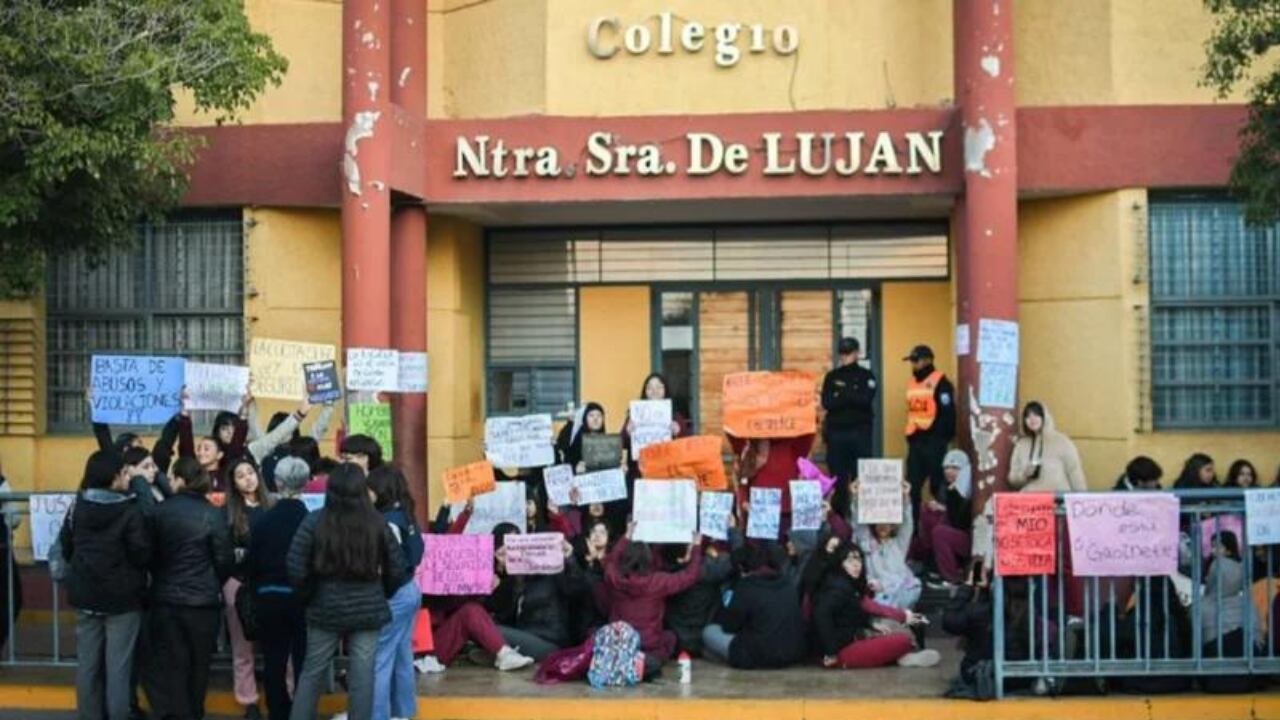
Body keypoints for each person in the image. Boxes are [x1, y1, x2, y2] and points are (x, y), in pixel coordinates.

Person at [286, 463, 407, 720]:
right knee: (363, 674)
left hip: (324, 607)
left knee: (312, 671)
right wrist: (381, 592)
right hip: (368, 608)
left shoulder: (314, 520)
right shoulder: (377, 522)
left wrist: (309, 594)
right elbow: (398, 567)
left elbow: (295, 566)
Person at [62, 450, 151, 720]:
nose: (128, 477)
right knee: (118, 669)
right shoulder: (130, 510)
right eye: (125, 473)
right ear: (115, 478)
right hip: (122, 600)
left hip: (85, 594)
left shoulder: (78, 506)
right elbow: (141, 554)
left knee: (87, 665)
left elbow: (67, 546)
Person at [144, 457, 235, 720]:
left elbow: (148, 554)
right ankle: (194, 713)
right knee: (199, 667)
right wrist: (211, 582)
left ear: (181, 480)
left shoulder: (159, 512)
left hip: (166, 599)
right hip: (203, 604)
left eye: (172, 477)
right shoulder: (213, 513)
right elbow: (224, 559)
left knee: (174, 665)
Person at [245, 457, 311, 720]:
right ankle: (302, 711)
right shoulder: (310, 520)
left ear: (277, 482)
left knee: (274, 659)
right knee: (304, 660)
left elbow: (251, 562)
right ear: (305, 484)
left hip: (268, 596)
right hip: (302, 599)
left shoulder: (263, 520)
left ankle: (278, 712)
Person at [811, 541, 937, 668]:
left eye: (859, 560)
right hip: (841, 652)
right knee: (902, 640)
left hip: (854, 639)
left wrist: (871, 624)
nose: (856, 565)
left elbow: (855, 613)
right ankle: (901, 657)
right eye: (850, 561)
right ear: (840, 563)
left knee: (891, 628)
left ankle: (902, 657)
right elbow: (821, 615)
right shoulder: (836, 588)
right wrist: (831, 652)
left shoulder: (850, 585)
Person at [367, 465, 425, 720]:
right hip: (411, 589)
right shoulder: (406, 514)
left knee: (379, 659)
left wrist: (386, 592)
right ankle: (403, 712)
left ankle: (378, 715)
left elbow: (393, 565)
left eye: (369, 489)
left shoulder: (387, 522)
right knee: (402, 655)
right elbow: (418, 553)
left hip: (396, 593)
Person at [603, 526, 703, 673]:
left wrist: (627, 535)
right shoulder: (657, 582)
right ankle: (640, 664)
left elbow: (611, 561)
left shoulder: (614, 579)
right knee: (670, 638)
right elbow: (690, 576)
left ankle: (622, 661)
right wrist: (696, 547)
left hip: (620, 643)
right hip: (649, 645)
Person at [487, 523, 585, 662]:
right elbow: (503, 613)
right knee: (484, 625)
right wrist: (508, 572)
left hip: (549, 643)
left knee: (489, 629)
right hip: (525, 637)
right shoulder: (518, 578)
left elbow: (577, 588)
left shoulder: (553, 573)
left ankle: (493, 653)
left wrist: (570, 559)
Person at [701, 542, 806, 669]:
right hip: (791, 652)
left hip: (758, 656)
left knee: (709, 632)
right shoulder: (787, 583)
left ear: (740, 568)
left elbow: (729, 626)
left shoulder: (746, 587)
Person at [222, 457, 273, 719]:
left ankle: (285, 692)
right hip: (239, 583)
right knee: (242, 649)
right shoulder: (229, 513)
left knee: (278, 645)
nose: (248, 478)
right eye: (240, 475)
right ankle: (249, 700)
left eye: (250, 472)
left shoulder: (272, 506)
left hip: (270, 583)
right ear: (233, 482)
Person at [844, 480, 920, 610]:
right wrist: (855, 498)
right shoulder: (867, 542)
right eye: (879, 522)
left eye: (887, 523)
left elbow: (908, 524)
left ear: (892, 526)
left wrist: (906, 497)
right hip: (878, 595)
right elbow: (858, 525)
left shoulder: (898, 543)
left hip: (901, 594)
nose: (883, 526)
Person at [902, 344, 955, 527]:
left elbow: (948, 415)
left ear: (927, 360)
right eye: (912, 361)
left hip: (934, 442)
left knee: (937, 486)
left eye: (916, 361)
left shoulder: (941, 382)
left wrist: (940, 439)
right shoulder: (912, 382)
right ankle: (913, 529)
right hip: (916, 442)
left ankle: (939, 529)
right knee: (912, 488)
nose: (913, 365)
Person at [822, 337, 878, 481]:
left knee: (860, 478)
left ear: (857, 353)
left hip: (860, 433)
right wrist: (852, 394)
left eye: (848, 353)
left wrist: (841, 393)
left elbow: (865, 400)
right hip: (837, 433)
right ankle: (840, 505)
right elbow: (827, 403)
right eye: (842, 353)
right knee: (837, 477)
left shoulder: (866, 376)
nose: (845, 357)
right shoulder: (832, 376)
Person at [914, 450, 973, 588]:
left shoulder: (969, 488)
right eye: (946, 468)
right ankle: (932, 564)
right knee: (928, 513)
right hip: (953, 532)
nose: (949, 471)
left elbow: (961, 520)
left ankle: (951, 578)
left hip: (968, 538)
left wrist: (944, 508)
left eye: (955, 468)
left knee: (940, 531)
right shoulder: (946, 487)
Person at [1007, 401, 1087, 494]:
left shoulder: (1062, 442)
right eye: (1028, 416)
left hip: (1058, 500)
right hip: (1030, 502)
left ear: (1045, 417)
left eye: (1036, 415)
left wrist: (1082, 499)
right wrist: (1024, 475)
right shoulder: (1021, 445)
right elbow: (1013, 479)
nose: (1032, 419)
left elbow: (1075, 473)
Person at [556, 402, 607, 473]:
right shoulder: (577, 441)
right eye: (591, 415)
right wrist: (575, 469)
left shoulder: (607, 441)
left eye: (599, 415)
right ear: (585, 419)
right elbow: (566, 466)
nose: (595, 419)